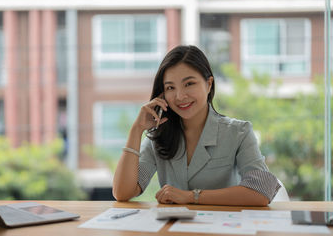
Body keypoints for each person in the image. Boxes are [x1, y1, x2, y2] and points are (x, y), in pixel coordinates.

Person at [112, 45, 281, 206]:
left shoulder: (239, 132)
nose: (179, 96)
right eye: (170, 87)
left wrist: (192, 196)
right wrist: (136, 130)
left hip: (224, 230)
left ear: (208, 84)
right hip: (175, 232)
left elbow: (261, 192)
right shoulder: (160, 136)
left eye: (189, 84)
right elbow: (123, 192)